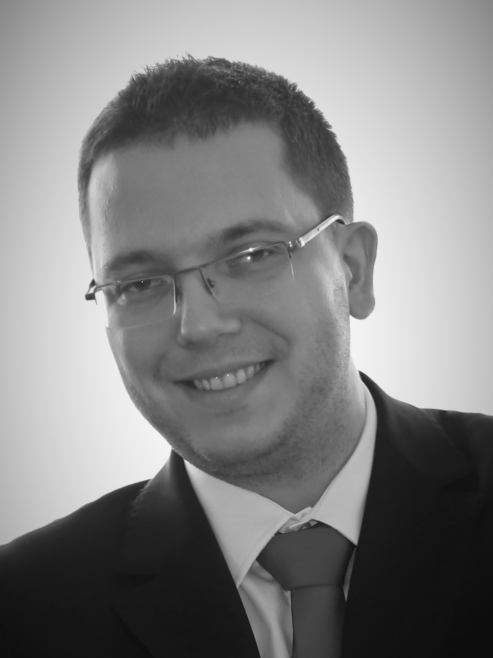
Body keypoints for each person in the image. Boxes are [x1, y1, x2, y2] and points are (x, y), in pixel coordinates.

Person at [0, 56, 491, 658]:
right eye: (139, 283)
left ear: (353, 269)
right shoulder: (23, 610)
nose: (199, 326)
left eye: (252, 256)